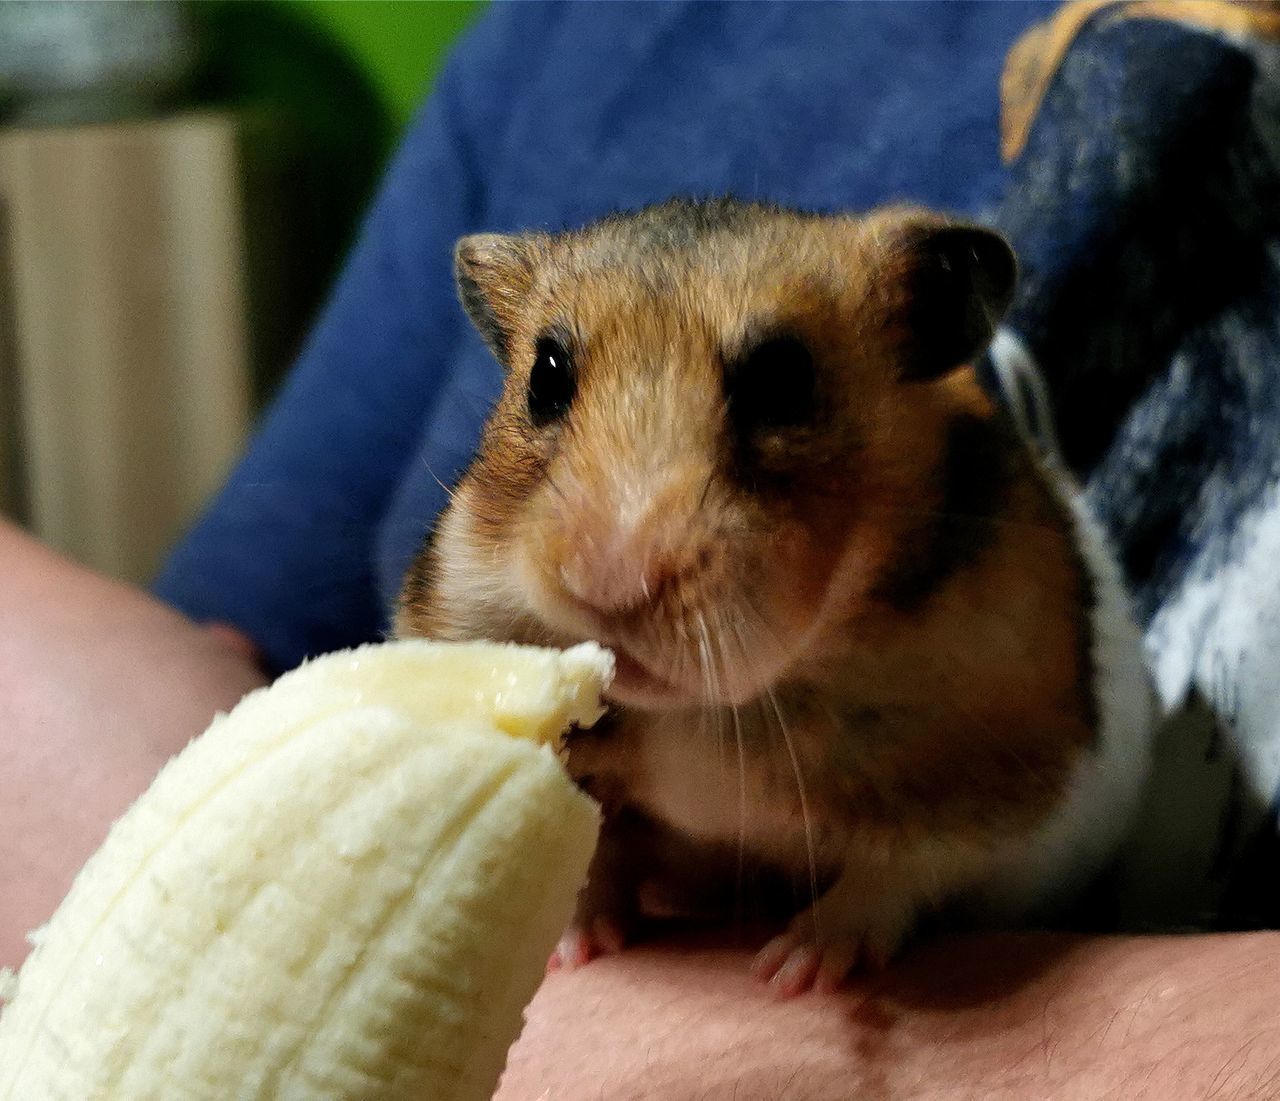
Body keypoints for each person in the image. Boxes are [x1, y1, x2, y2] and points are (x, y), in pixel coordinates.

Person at [8, 2, 1280, 1095]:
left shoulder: (988, 569)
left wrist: (883, 899)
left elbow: (1036, 789)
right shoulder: (561, 28)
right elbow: (234, 664)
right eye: (552, 381)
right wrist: (582, 850)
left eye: (776, 391)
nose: (616, 571)